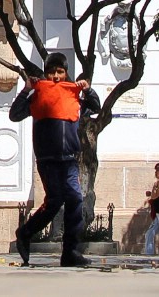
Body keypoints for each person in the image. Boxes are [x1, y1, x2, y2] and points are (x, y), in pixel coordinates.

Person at [10, 52, 100, 268]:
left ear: (66, 73)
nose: (56, 77)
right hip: (47, 158)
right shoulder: (38, 95)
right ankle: (25, 232)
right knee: (54, 201)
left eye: (60, 72)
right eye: (51, 72)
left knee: (75, 200)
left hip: (69, 159)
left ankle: (70, 252)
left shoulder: (72, 96)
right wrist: (26, 90)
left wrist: (87, 89)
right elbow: (15, 114)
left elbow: (95, 107)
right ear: (46, 73)